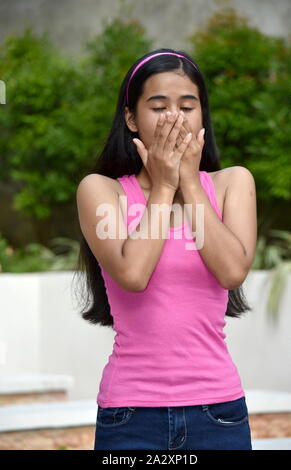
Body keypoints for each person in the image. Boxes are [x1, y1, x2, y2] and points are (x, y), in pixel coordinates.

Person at [75, 48, 257, 450]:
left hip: (219, 411)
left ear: (202, 116)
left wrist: (189, 183)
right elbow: (133, 275)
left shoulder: (231, 183)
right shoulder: (101, 190)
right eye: (158, 106)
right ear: (131, 118)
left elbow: (231, 272)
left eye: (187, 106)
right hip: (130, 415)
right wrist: (163, 186)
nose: (175, 117)